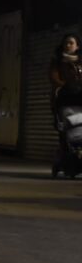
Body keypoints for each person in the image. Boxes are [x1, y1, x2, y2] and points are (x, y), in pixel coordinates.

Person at [50, 33, 82, 176]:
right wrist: (66, 86)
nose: (68, 45)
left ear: (77, 46)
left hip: (79, 100)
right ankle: (66, 161)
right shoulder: (58, 61)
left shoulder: (80, 62)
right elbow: (54, 77)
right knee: (65, 132)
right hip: (64, 99)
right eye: (66, 43)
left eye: (71, 43)